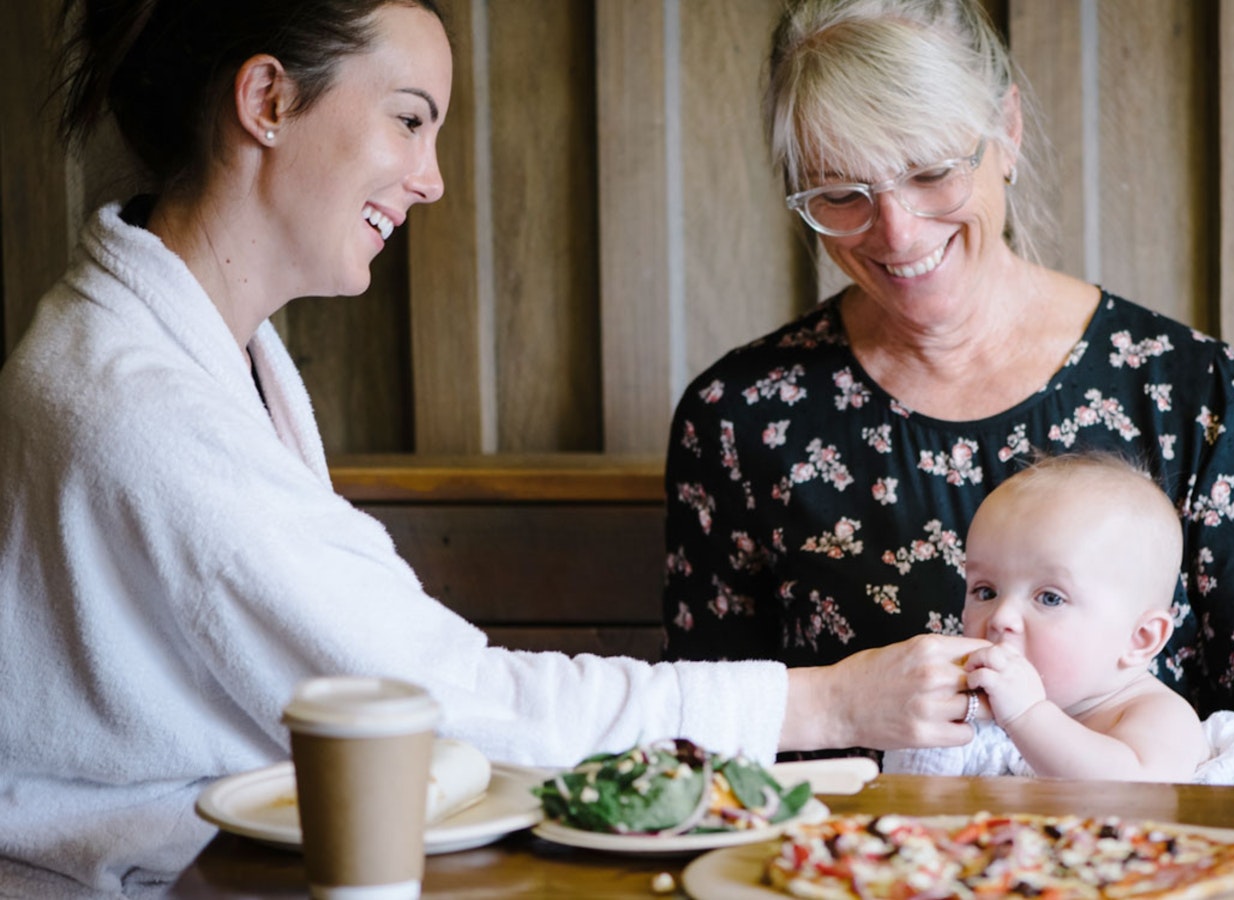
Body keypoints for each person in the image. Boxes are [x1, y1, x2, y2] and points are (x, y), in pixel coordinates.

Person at [0, 2, 990, 896]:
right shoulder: (142, 401)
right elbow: (446, 703)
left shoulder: (191, 346)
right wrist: (828, 700)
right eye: (408, 117)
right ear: (265, 99)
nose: (430, 179)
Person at [662, 0, 1234, 787]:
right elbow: (706, 727)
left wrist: (1194, 845)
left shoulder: (1184, 390)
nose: (897, 233)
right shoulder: (743, 416)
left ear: (1005, 131)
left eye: (933, 171)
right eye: (841, 193)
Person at [883, 453, 1234, 784]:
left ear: (1140, 639)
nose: (1000, 618)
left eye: (1050, 597)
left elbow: (1136, 793)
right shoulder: (987, 714)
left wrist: (1030, 716)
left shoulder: (1157, 716)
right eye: (986, 591)